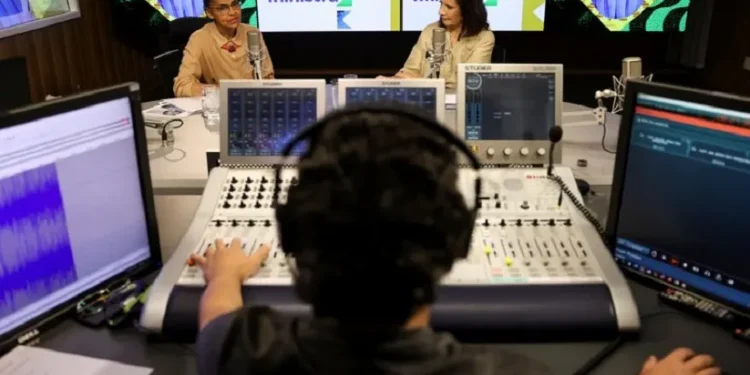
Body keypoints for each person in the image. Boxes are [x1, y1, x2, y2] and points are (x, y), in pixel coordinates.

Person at [189, 107, 723, 375]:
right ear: (455, 243)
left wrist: (226, 275)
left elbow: (216, 321)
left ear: (293, 242)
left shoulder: (244, 351)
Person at [380, 0, 495, 89]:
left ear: (466, 11)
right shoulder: (430, 30)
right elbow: (409, 71)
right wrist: (389, 82)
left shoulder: (484, 38)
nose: (441, 11)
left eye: (449, 7)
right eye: (441, 4)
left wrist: (423, 82)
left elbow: (470, 82)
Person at [173, 0, 274, 97]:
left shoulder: (252, 33)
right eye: (222, 8)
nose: (232, 12)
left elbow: (268, 78)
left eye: (235, 4)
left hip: (252, 103)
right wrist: (220, 92)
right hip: (220, 106)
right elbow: (182, 85)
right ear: (210, 13)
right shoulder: (199, 39)